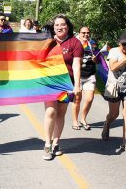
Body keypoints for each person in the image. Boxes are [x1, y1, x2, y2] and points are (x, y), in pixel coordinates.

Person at [43, 14, 83, 160]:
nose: (59, 27)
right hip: (49, 83)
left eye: (62, 24)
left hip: (67, 85)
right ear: (53, 28)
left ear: (68, 26)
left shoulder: (75, 43)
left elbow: (76, 64)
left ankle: (56, 143)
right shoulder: (47, 42)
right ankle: (47, 144)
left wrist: (77, 85)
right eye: (57, 25)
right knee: (50, 112)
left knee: (60, 114)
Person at [101, 32, 126, 152]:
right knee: (114, 114)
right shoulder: (114, 52)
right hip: (114, 87)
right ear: (119, 43)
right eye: (124, 44)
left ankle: (125, 142)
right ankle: (107, 124)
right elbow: (112, 67)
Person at [71, 27, 98, 130]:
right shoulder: (74, 42)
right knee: (77, 99)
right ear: (79, 33)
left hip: (90, 75)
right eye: (83, 33)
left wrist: (95, 60)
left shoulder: (93, 44)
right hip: (78, 75)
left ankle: (83, 119)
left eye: (87, 33)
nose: (86, 35)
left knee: (90, 98)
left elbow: (98, 59)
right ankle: (75, 121)